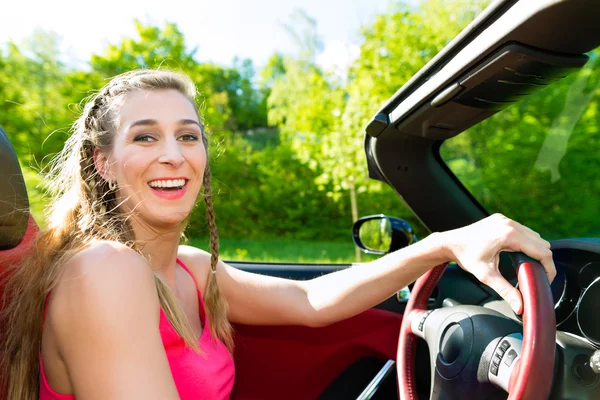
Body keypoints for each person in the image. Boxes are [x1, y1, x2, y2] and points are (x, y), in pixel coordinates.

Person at [0, 69, 556, 400]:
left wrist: (444, 243)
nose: (174, 155)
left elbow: (308, 299)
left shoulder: (190, 267)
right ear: (103, 162)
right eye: (145, 138)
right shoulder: (104, 271)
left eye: (188, 136)